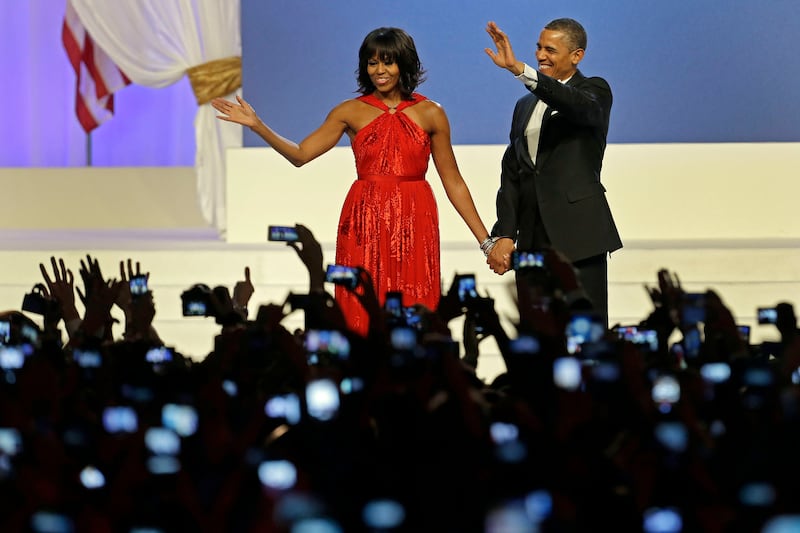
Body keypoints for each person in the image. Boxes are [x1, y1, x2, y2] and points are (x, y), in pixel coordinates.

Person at [211, 27, 492, 336]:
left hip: (415, 217)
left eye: (388, 62)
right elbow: (301, 154)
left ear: (404, 63)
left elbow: (453, 182)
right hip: (365, 217)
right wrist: (258, 125)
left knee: (416, 308)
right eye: (372, 63)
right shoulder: (349, 111)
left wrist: (486, 242)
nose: (380, 71)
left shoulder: (431, 113)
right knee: (359, 308)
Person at [483, 19, 622, 326]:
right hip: (533, 240)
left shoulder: (594, 91)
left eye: (550, 49)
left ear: (577, 56)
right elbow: (513, 173)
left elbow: (572, 103)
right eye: (538, 47)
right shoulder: (523, 105)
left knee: (585, 333)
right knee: (536, 333)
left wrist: (520, 70)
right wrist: (505, 232)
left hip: (579, 236)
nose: (540, 55)